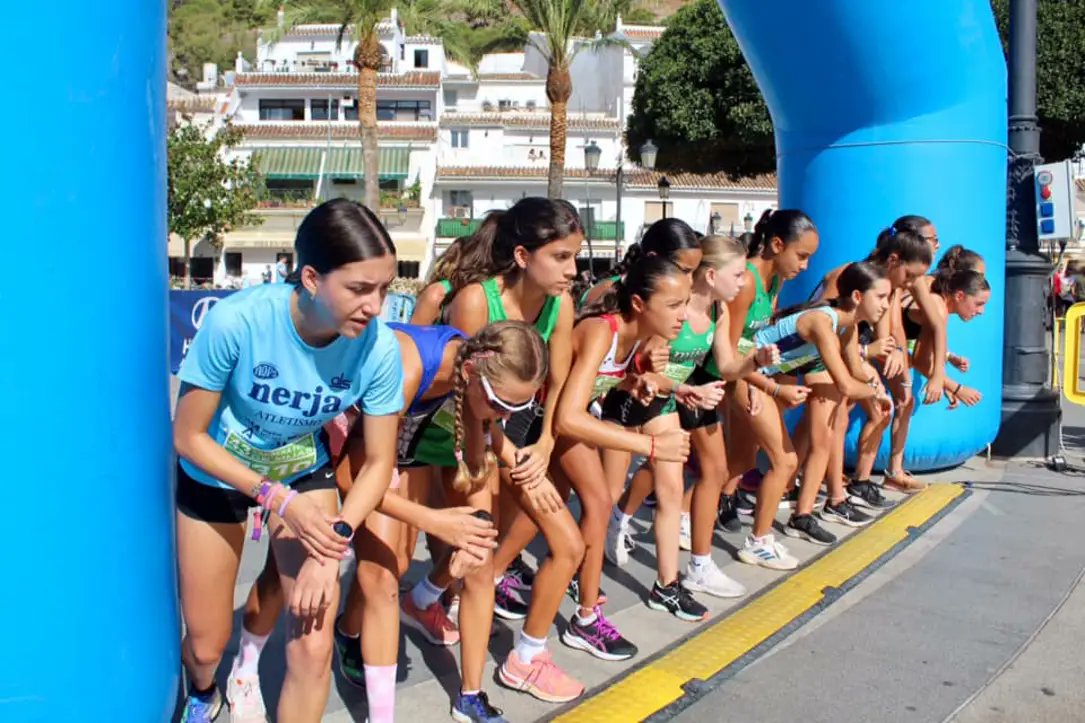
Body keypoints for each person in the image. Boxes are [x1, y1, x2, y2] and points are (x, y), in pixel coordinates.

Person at [173, 199, 403, 723]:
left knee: (313, 646)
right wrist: (276, 498)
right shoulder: (237, 322)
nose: (375, 307)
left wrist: (335, 538)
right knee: (207, 646)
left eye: (384, 289)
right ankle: (205, 691)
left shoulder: (379, 350)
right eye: (360, 290)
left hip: (301, 466)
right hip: (216, 469)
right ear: (312, 278)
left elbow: (378, 463)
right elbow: (188, 437)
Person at [423, 197, 590, 708]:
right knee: (473, 555)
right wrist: (503, 449)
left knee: (569, 543)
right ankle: (437, 616)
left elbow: (560, 382)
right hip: (461, 429)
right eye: (561, 257)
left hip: (517, 433)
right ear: (522, 255)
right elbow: (469, 398)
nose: (573, 270)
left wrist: (542, 445)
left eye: (575, 257)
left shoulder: (560, 304)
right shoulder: (475, 301)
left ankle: (523, 657)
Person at [605, 236, 779, 603]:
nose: (745, 281)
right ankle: (610, 529)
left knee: (675, 483)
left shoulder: (719, 312)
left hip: (673, 399)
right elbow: (640, 373)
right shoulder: (667, 313)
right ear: (712, 275)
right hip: (634, 400)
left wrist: (756, 364)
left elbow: (728, 366)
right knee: (605, 494)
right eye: (738, 273)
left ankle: (675, 579)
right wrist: (683, 389)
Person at [553, 256, 695, 653]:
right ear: (638, 304)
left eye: (685, 303)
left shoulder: (634, 341)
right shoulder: (603, 331)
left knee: (592, 507)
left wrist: (634, 383)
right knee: (589, 506)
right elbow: (567, 416)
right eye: (673, 305)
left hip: (550, 430)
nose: (683, 315)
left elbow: (600, 382)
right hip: (532, 429)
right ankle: (442, 594)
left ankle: (584, 615)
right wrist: (651, 445)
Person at [719, 209, 820, 565]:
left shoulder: (773, 281)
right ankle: (758, 541)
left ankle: (683, 515)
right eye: (802, 256)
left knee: (740, 460)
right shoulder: (745, 281)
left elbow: (758, 339)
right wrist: (769, 389)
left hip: (752, 376)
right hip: (736, 378)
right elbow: (728, 355)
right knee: (785, 459)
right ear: (777, 245)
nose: (806, 266)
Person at [780, 263, 896, 546]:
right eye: (881, 297)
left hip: (796, 364)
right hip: (756, 372)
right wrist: (873, 391)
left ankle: (802, 516)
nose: (886, 306)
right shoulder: (824, 321)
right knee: (743, 461)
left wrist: (876, 388)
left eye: (889, 298)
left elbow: (856, 371)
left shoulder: (849, 327)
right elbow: (846, 384)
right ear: (858, 296)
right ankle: (710, 511)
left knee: (823, 441)